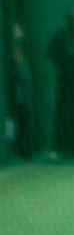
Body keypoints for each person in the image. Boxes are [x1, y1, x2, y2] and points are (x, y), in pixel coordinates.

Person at [46, 11, 74, 161]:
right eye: (71, 18)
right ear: (66, 20)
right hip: (64, 83)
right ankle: (58, 149)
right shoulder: (58, 38)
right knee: (62, 115)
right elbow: (49, 54)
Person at [4, 22, 34, 162]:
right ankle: (10, 149)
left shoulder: (23, 51)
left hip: (22, 97)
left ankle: (24, 151)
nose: (19, 33)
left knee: (23, 121)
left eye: (20, 30)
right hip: (11, 98)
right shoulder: (7, 52)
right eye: (16, 31)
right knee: (11, 121)